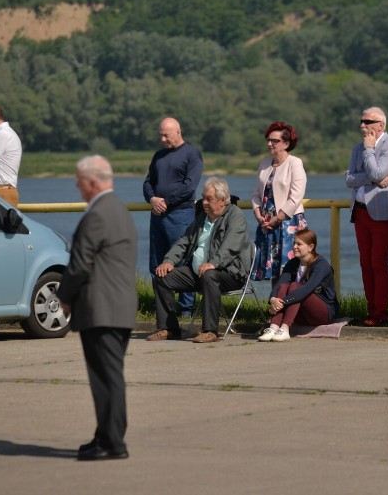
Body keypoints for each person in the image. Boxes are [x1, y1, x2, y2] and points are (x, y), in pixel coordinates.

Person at [57, 155, 138, 461]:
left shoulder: (98, 214)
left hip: (101, 308)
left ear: (91, 182)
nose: (78, 188)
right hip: (117, 307)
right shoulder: (119, 209)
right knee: (110, 376)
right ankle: (105, 435)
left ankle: (112, 442)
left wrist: (64, 296)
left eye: (79, 182)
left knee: (105, 378)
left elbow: (79, 264)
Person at [149, 177, 253, 344]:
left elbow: (231, 245)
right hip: (199, 273)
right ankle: (169, 328)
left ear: (222, 201)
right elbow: (184, 241)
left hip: (230, 273)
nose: (204, 202)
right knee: (162, 277)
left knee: (210, 275)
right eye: (203, 197)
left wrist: (215, 263)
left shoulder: (235, 216)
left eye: (208, 199)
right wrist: (169, 261)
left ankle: (210, 330)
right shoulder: (202, 218)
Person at [345, 106, 388, 326]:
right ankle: (371, 311)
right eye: (361, 121)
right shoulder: (357, 147)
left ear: (381, 125)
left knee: (379, 263)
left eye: (367, 121)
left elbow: (379, 172)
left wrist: (369, 150)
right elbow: (349, 179)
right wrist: (373, 179)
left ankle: (381, 313)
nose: (362, 125)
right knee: (365, 263)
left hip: (382, 212)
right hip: (360, 211)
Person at [142, 117, 203, 315]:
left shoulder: (192, 154)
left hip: (181, 214)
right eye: (160, 135)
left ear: (178, 132)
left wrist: (166, 202)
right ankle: (163, 310)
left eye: (166, 135)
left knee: (183, 260)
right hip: (158, 216)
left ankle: (186, 310)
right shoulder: (158, 156)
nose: (162, 139)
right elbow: (148, 183)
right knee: (157, 262)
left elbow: (189, 186)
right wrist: (152, 199)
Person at [251, 121, 307, 286]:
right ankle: (276, 304)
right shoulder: (264, 164)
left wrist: (279, 218)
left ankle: (293, 304)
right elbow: (256, 195)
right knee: (274, 268)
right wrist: (258, 215)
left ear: (286, 144)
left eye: (274, 141)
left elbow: (296, 196)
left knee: (291, 268)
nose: (269, 144)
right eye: (268, 140)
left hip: (289, 222)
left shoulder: (295, 163)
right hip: (267, 223)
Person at [258, 229, 339, 343]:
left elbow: (306, 289)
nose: (294, 246)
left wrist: (281, 303)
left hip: (322, 314)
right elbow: (280, 284)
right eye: (294, 243)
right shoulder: (293, 263)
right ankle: (274, 328)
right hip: (301, 313)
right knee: (284, 286)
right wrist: (273, 300)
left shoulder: (321, 265)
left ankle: (285, 329)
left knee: (295, 286)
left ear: (310, 247)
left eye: (299, 244)